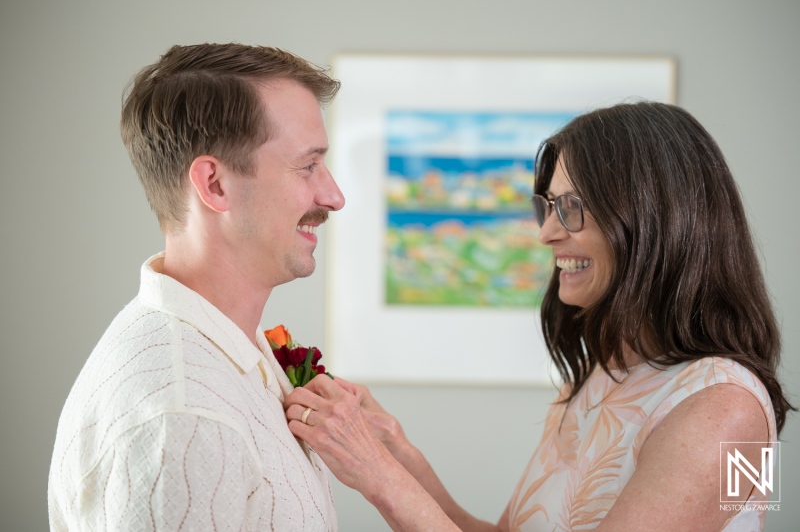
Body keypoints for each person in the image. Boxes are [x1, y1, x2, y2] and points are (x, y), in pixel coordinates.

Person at [283, 102, 793, 531]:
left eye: (572, 206)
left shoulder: (726, 408)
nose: (547, 232)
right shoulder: (598, 378)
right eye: (548, 206)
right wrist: (395, 451)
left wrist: (378, 476)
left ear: (656, 217)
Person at [48, 43, 345, 530]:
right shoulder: (184, 419)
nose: (334, 196)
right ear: (214, 184)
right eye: (308, 166)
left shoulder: (228, 356)